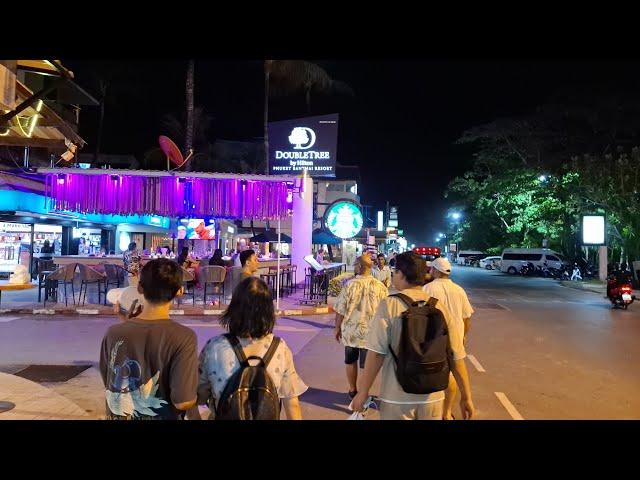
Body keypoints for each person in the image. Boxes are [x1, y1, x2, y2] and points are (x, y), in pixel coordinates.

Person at [352, 252, 475, 420]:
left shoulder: (389, 305)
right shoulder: (440, 307)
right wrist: (466, 397)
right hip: (434, 397)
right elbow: (456, 357)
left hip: (397, 397)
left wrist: (363, 392)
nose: (393, 275)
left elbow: (376, 354)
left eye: (395, 272)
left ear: (401, 275)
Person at [99, 258, 198, 420]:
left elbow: (108, 380)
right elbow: (183, 401)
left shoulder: (113, 333)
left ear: (139, 287)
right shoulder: (184, 337)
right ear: (179, 291)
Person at [196, 277, 308, 419]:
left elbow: (197, 396)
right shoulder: (280, 348)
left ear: (234, 308)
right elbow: (292, 404)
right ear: (268, 311)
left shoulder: (214, 348)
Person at [422, 257, 474, 420]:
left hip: (434, 339)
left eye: (431, 269)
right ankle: (446, 411)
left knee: (436, 373)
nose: (430, 271)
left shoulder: (427, 289)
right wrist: (464, 336)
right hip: (456, 337)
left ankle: (435, 410)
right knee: (453, 373)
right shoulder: (459, 290)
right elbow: (467, 318)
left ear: (437, 271)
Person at [334, 254, 388, 399]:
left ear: (359, 266)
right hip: (370, 333)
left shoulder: (349, 285)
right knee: (366, 366)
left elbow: (340, 310)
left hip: (351, 332)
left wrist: (337, 328)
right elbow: (385, 310)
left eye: (355, 265)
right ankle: (364, 393)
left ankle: (353, 390)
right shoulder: (380, 286)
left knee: (350, 361)